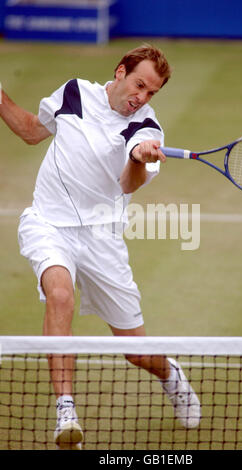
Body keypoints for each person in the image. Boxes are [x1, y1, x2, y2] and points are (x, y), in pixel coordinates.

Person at [0, 44, 201, 449]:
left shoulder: (146, 129)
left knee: (136, 353)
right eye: (139, 85)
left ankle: (170, 374)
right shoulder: (74, 93)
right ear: (121, 71)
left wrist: (140, 158)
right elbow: (30, 131)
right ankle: (66, 408)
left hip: (101, 238)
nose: (141, 98)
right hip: (49, 223)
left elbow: (129, 183)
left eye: (151, 93)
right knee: (59, 295)